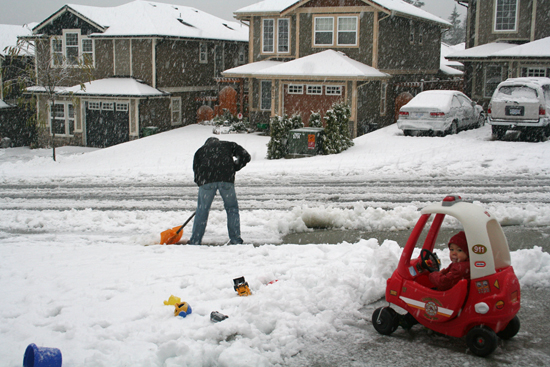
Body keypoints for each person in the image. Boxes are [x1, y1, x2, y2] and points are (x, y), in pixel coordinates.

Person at [188, 137, 251, 245]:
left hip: (206, 180)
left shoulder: (200, 151)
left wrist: (205, 185)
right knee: (232, 209)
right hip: (226, 179)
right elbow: (246, 156)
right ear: (218, 141)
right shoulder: (228, 145)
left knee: (202, 210)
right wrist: (234, 167)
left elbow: (196, 170)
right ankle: (235, 239)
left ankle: (195, 240)